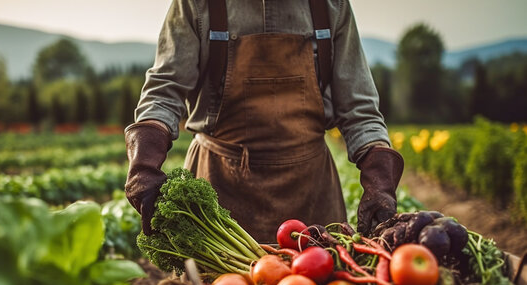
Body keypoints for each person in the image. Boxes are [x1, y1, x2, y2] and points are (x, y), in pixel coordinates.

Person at [124, 0, 404, 243]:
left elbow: (360, 107)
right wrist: (144, 160)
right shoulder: (198, 4)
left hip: (311, 194)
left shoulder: (331, 6)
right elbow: (164, 90)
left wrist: (379, 174)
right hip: (218, 192)